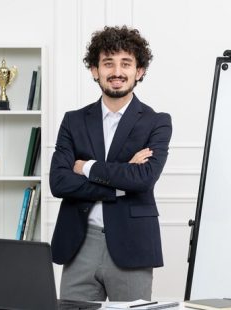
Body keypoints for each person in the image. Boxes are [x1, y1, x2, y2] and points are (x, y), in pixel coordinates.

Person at [49, 25, 172, 301]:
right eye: (108, 63)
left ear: (139, 71)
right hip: (79, 243)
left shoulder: (157, 122)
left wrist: (86, 167)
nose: (117, 71)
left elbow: (143, 179)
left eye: (126, 63)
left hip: (132, 244)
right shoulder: (73, 120)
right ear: (95, 70)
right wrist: (118, 184)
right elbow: (58, 182)